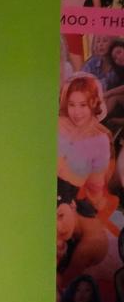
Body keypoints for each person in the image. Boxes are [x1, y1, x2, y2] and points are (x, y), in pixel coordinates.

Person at [58, 74, 112, 211]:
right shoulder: (57, 124)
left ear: (94, 103)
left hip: (64, 201)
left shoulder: (101, 140)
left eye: (83, 105)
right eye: (71, 104)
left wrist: (95, 202)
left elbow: (96, 183)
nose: (77, 112)